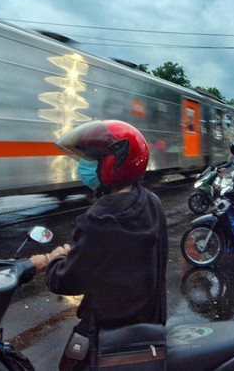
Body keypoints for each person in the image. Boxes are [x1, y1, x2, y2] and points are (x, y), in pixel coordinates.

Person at [29, 120, 168, 371]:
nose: (85, 166)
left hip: (106, 330)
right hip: (147, 320)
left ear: (115, 162)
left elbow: (67, 281)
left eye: (93, 159)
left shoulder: (102, 219)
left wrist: (55, 260)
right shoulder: (151, 201)